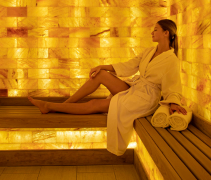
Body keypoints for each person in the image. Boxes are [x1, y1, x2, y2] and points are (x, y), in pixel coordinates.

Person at [28, 19, 187, 156]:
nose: (152, 32)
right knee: (100, 74)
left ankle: (49, 106)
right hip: (136, 86)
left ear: (166, 33)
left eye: (156, 29)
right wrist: (102, 66)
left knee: (95, 105)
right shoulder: (150, 51)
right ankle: (64, 105)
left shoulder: (171, 60)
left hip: (145, 97)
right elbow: (130, 65)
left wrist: (173, 102)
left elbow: (172, 85)